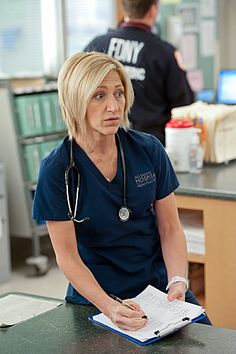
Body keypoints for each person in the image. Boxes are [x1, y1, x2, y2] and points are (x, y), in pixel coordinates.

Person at [32, 51, 211, 331]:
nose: (113, 106)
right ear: (75, 99)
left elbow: (170, 227)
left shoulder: (148, 150)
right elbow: (67, 257)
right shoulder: (57, 171)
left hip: (159, 292)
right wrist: (110, 307)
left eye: (118, 93)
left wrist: (178, 279)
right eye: (99, 96)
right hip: (96, 299)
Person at [84, 0, 194, 146]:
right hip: (149, 146)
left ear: (124, 7)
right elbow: (183, 104)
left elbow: (78, 93)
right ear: (153, 10)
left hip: (102, 143)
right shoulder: (165, 53)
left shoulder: (97, 46)